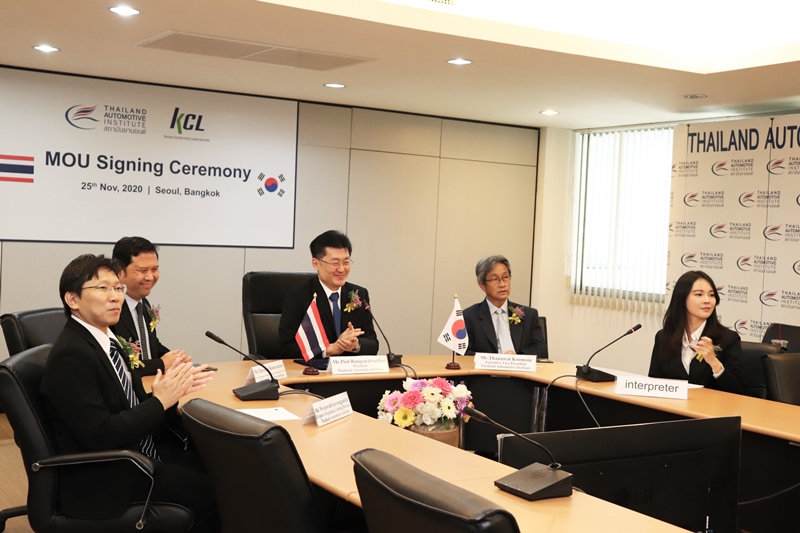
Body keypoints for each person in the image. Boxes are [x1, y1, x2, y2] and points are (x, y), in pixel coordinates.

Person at [40, 254, 219, 531]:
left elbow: (126, 405)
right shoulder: (72, 355)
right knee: (214, 492)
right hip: (107, 475)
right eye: (102, 288)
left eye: (117, 288)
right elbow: (101, 434)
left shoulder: (108, 340)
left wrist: (171, 393)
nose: (115, 297)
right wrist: (160, 401)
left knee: (220, 467)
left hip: (136, 450)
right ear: (72, 299)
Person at [279, 230, 378, 360]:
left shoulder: (359, 294)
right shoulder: (298, 295)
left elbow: (373, 344)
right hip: (315, 370)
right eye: (335, 263)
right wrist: (328, 350)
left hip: (349, 370)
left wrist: (356, 345)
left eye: (346, 262)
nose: (341, 269)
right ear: (316, 264)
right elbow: (287, 348)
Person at [648, 270, 746, 394]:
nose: (707, 300)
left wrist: (714, 362)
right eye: (699, 294)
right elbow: (654, 383)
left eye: (711, 295)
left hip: (710, 406)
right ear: (682, 297)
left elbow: (738, 391)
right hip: (672, 405)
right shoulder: (663, 337)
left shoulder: (728, 339)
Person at [111, 236, 188, 376]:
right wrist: (161, 364)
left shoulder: (143, 304)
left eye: (154, 269)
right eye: (142, 270)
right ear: (119, 272)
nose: (150, 277)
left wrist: (176, 360)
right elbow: (118, 364)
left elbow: (150, 346)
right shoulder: (111, 309)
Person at [463, 255, 548, 357]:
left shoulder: (529, 315)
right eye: (495, 279)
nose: (502, 284)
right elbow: (464, 354)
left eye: (505, 277)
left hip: (519, 367)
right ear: (482, 285)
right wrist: (494, 361)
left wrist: (517, 358)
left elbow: (541, 350)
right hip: (487, 367)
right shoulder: (469, 317)